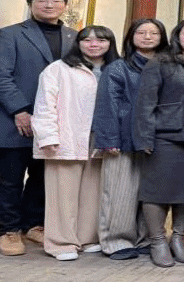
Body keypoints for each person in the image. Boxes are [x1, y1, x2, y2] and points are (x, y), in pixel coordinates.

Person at [0, 0, 77, 256]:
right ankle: (8, 229)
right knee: (10, 178)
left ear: (65, 6)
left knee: (42, 176)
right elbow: (0, 76)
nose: (49, 5)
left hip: (55, 121)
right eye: (42, 0)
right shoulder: (9, 34)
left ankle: (33, 224)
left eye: (56, 0)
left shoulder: (74, 37)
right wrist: (20, 110)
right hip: (14, 119)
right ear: (31, 4)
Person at [32, 25, 119, 260]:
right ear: (78, 43)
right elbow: (44, 104)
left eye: (101, 40)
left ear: (110, 44)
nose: (94, 44)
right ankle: (61, 243)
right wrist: (48, 136)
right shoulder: (58, 69)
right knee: (62, 193)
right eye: (87, 40)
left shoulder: (115, 69)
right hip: (66, 136)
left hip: (99, 138)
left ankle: (87, 238)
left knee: (93, 191)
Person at [134, 18, 184, 267]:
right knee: (156, 191)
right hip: (165, 134)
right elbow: (145, 102)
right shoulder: (161, 62)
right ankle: (158, 241)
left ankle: (179, 239)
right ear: (177, 37)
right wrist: (144, 137)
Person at [91, 18, 168, 260]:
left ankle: (147, 238)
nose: (147, 37)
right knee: (119, 192)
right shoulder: (118, 68)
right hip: (124, 138)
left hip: (157, 139)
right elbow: (107, 105)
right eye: (141, 32)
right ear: (131, 37)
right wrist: (108, 140)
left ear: (162, 38)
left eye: (153, 33)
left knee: (151, 193)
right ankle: (117, 241)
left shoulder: (168, 67)